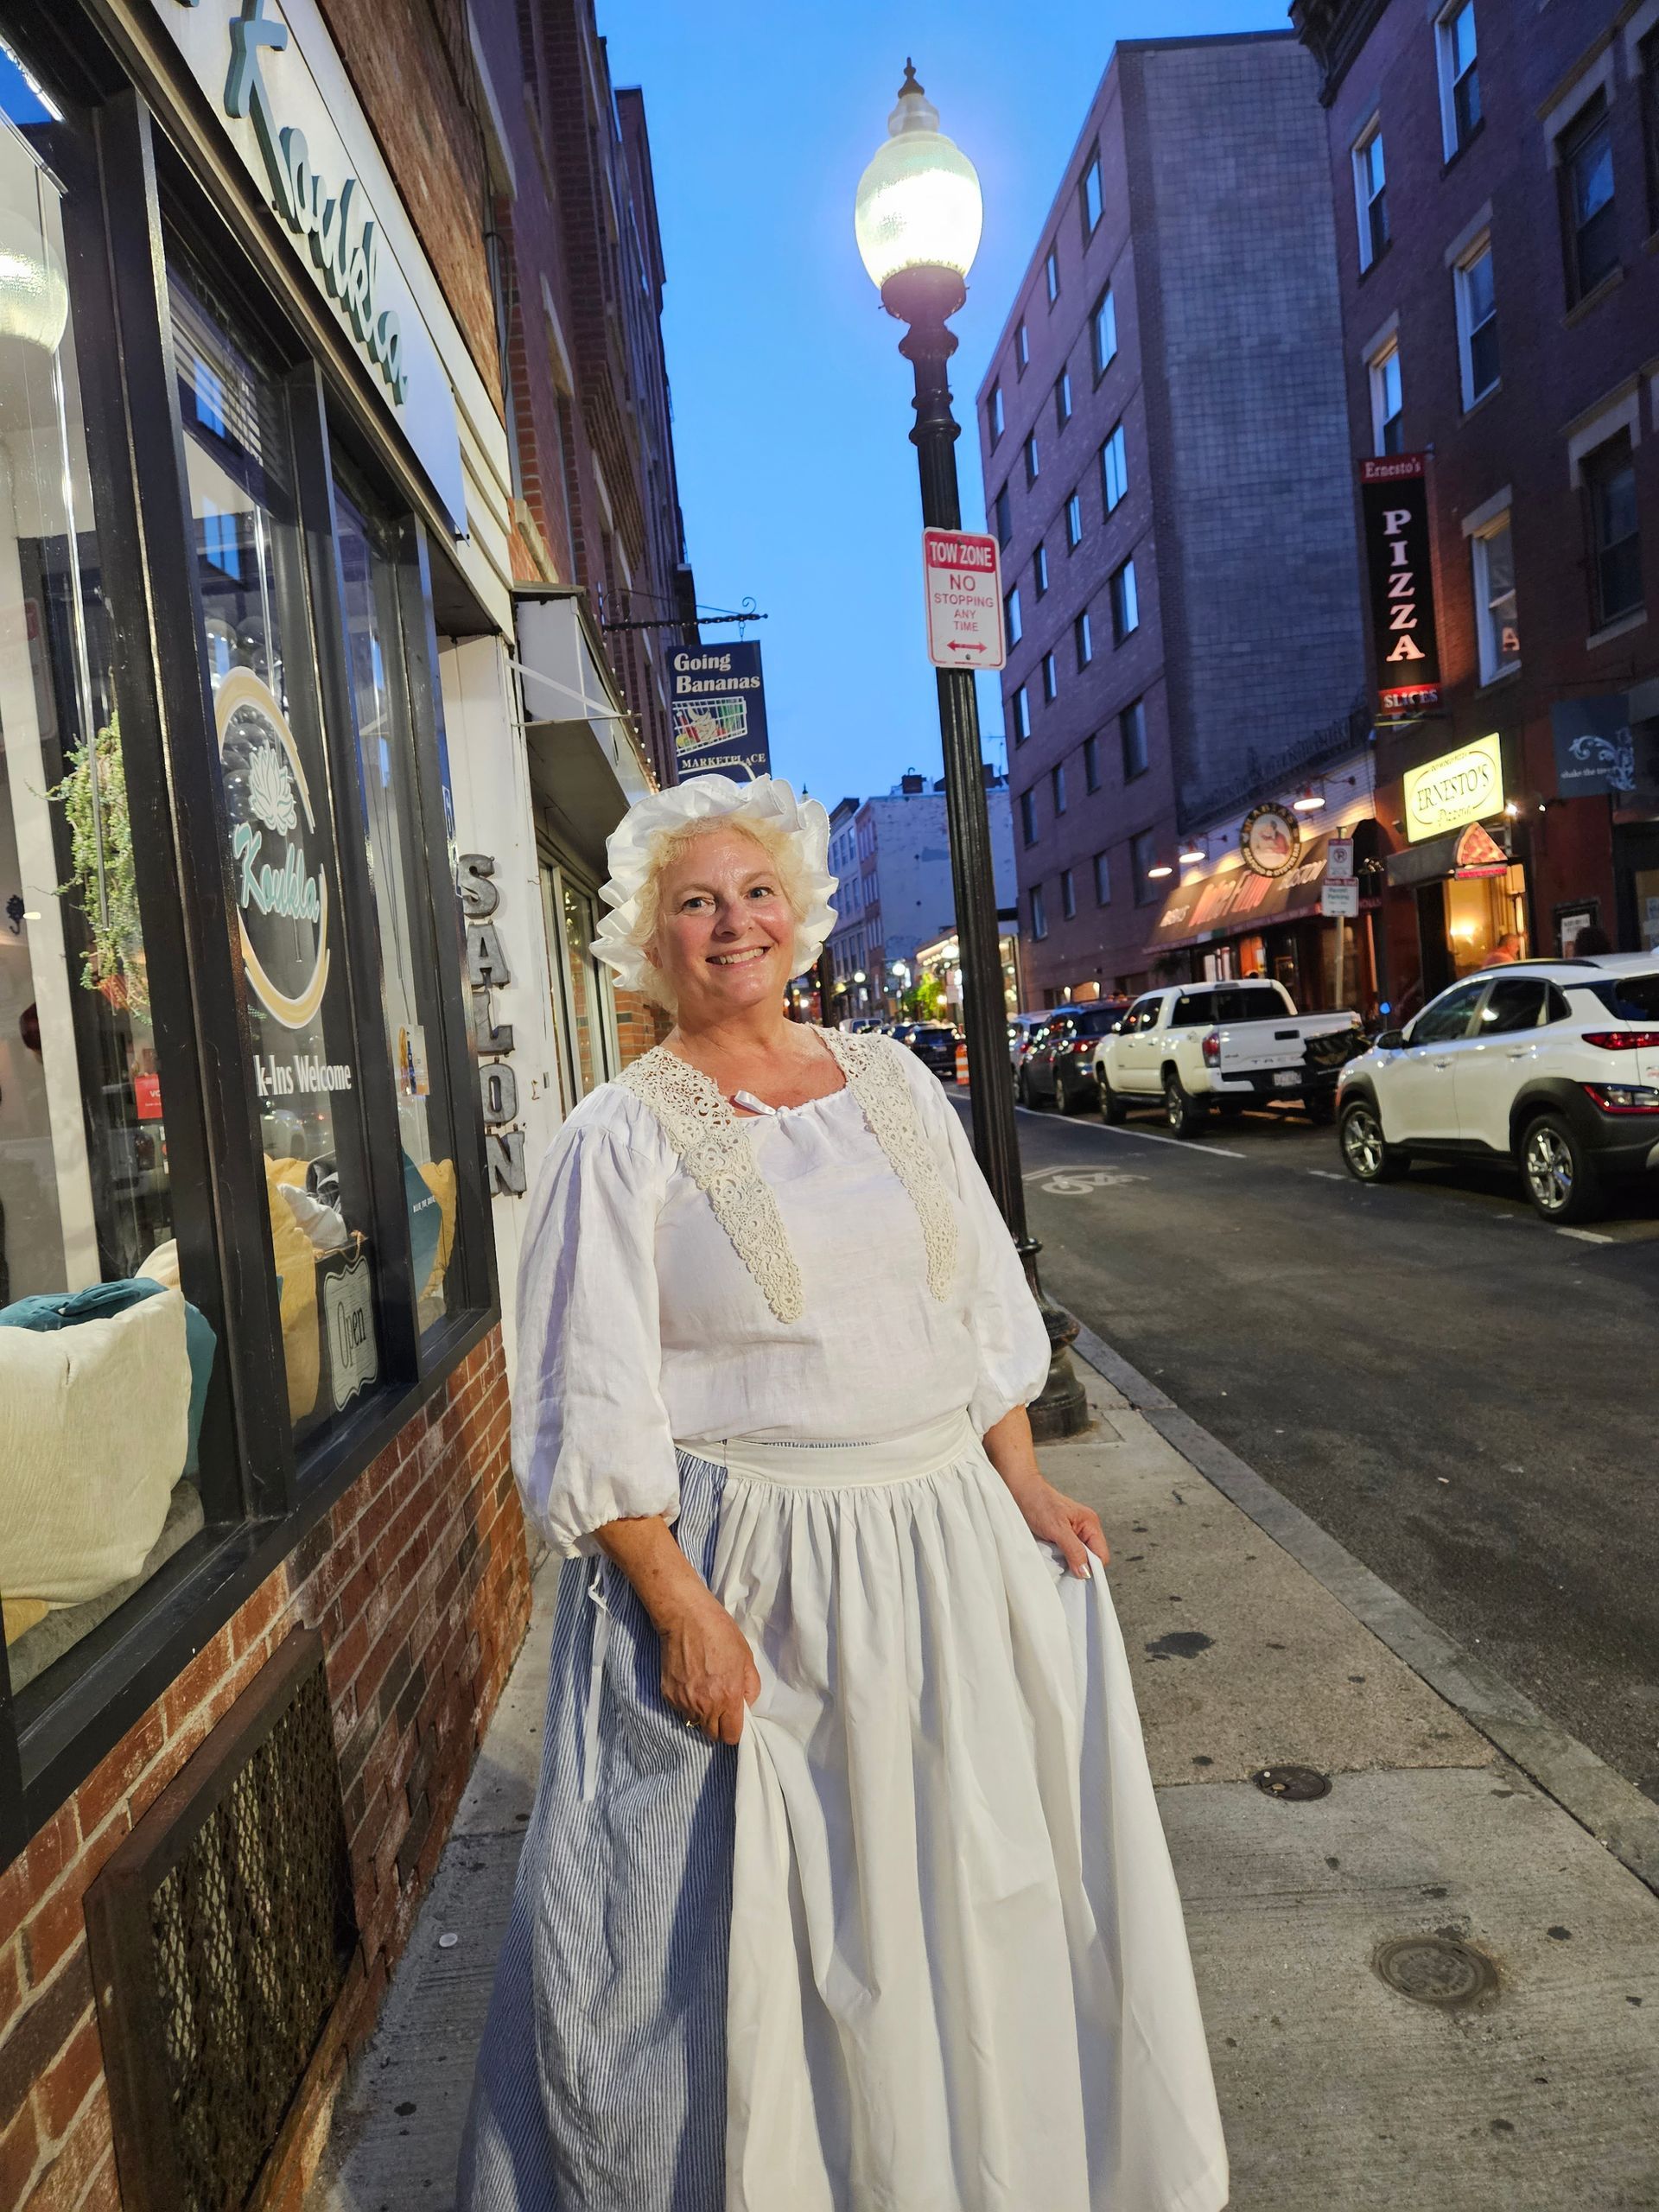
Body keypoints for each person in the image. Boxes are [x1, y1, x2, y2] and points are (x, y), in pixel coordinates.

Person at [458, 775, 1228, 2212]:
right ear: (650, 940)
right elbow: (588, 1399)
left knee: (971, 1891)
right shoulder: (617, 1141)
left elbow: (974, 1311)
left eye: (756, 894)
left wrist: (1027, 1485)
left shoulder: (888, 1084)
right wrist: (679, 1607)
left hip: (945, 1545)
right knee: (788, 1935)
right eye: (695, 903)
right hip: (767, 1573)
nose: (731, 924)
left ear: (800, 916)